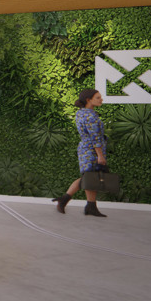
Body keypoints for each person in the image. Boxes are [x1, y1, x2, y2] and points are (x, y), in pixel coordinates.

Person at [55, 88, 108, 217]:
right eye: (98, 97)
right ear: (88, 100)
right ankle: (66, 199)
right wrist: (100, 155)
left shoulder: (81, 113)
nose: (101, 99)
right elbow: (95, 138)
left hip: (85, 148)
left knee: (90, 178)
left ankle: (90, 206)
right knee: (88, 177)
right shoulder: (90, 116)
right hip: (91, 151)